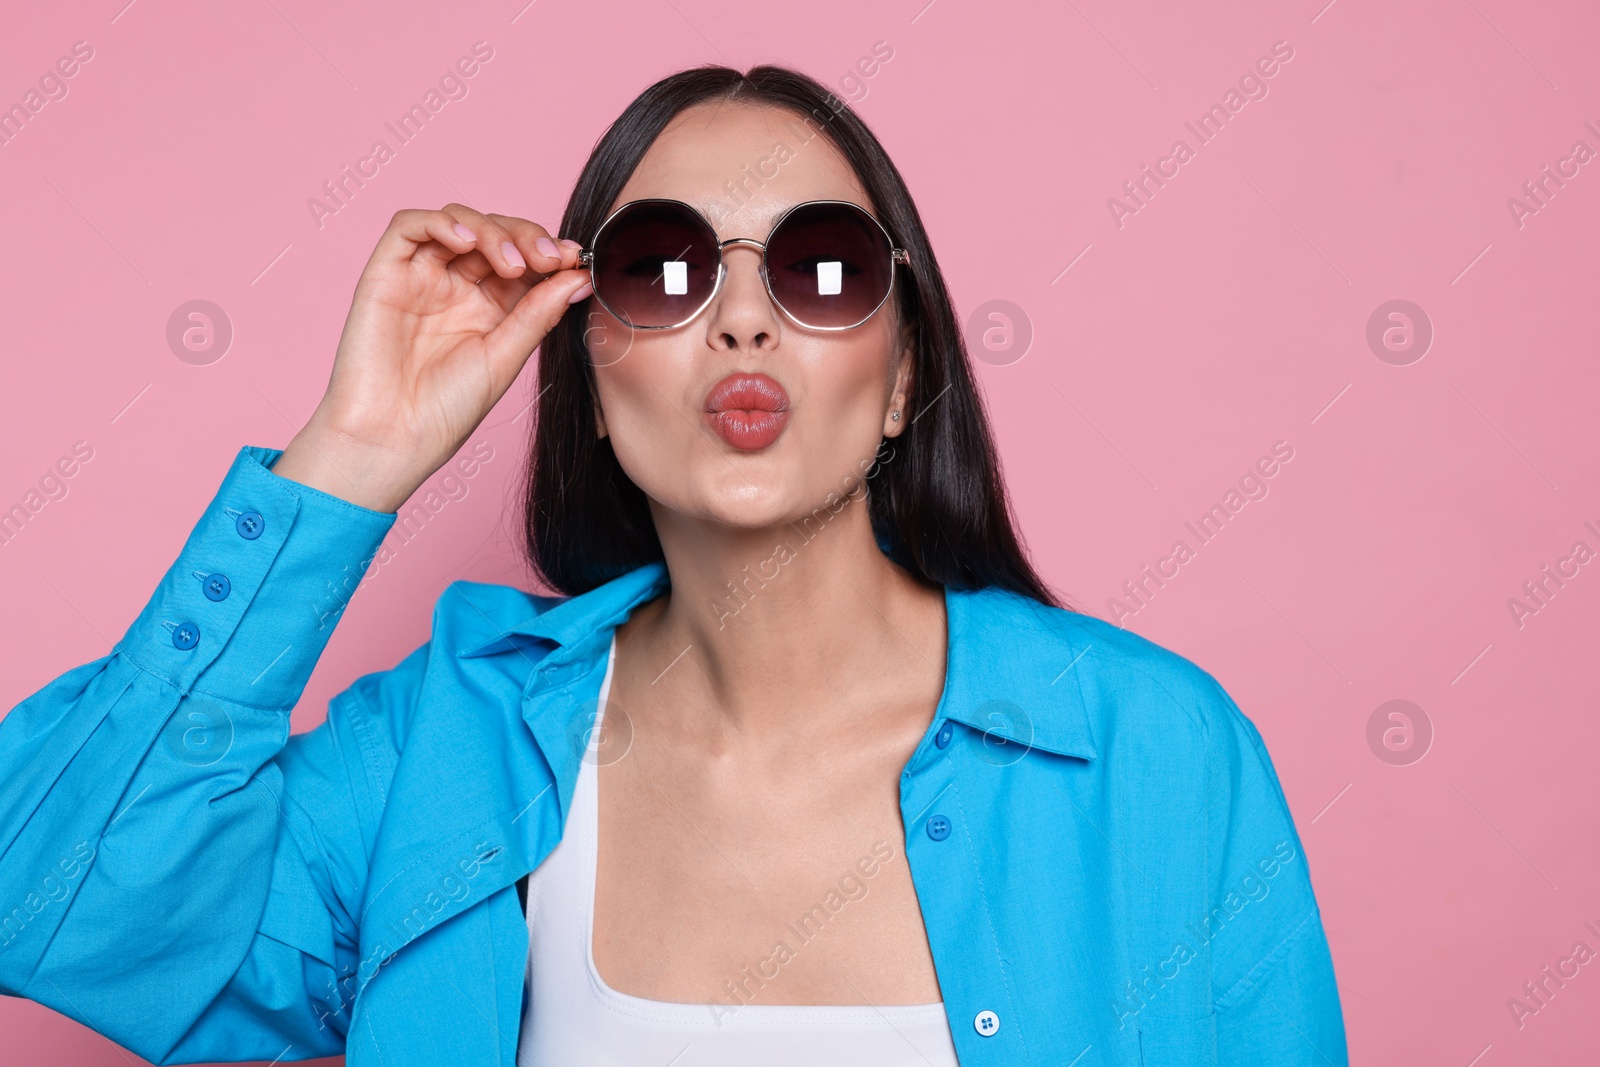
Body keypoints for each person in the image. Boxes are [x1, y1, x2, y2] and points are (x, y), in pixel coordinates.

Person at [0, 64, 1348, 1066]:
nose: (744, 321)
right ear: (585, 377)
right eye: (663, 271)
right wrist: (352, 457)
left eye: (822, 270)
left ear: (902, 380)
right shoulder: (443, 749)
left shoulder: (1154, 754)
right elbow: (54, 899)